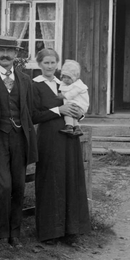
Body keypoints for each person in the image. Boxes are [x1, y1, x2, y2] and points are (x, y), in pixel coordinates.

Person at [0, 36, 63, 248]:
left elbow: (33, 114)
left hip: (20, 139)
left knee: (19, 186)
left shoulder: (25, 80)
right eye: (1, 50)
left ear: (16, 55)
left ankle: (15, 235)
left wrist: (64, 110)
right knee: (3, 186)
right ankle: (2, 235)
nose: (5, 54)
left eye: (10, 51)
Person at [30, 50, 92, 244]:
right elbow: (33, 116)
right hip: (49, 138)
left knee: (70, 178)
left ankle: (71, 230)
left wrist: (77, 113)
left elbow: (79, 102)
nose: (49, 66)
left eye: (53, 63)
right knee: (51, 180)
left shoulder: (64, 83)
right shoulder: (35, 85)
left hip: (69, 137)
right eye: (46, 62)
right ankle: (50, 232)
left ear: (58, 65)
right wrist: (59, 110)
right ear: (39, 63)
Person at [57, 59, 89, 136]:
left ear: (75, 78)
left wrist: (64, 96)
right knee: (73, 115)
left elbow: (72, 93)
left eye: (69, 78)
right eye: (64, 77)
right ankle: (77, 128)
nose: (66, 80)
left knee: (68, 113)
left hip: (79, 104)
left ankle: (69, 126)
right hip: (75, 104)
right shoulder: (62, 84)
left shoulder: (78, 85)